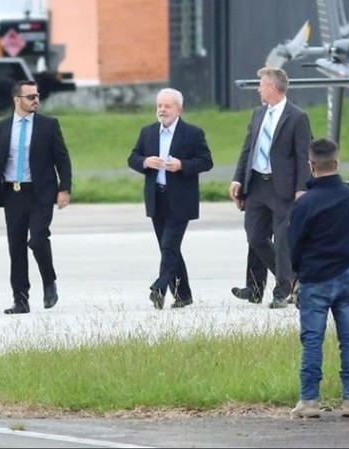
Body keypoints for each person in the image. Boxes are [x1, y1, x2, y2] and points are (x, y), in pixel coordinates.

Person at [287, 138, 349, 419]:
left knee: (313, 341)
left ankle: (309, 400)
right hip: (347, 276)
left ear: (311, 166)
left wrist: (298, 273)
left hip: (315, 278)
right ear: (336, 163)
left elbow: (294, 245)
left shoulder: (304, 204)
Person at [0, 80, 73, 315]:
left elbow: (62, 159)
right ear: (17, 100)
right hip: (13, 193)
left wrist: (64, 189)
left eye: (37, 96)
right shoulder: (1, 127)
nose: (36, 100)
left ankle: (49, 281)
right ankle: (20, 300)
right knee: (16, 247)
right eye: (30, 97)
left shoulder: (48, 125)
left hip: (40, 192)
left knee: (38, 239)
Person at [228, 67, 313, 309]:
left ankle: (281, 291)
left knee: (283, 240)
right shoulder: (258, 114)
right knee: (255, 236)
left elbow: (303, 156)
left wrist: (302, 188)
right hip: (257, 185)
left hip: (283, 188)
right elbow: (248, 150)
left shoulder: (297, 116)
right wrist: (237, 180)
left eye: (261, 85)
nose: (258, 89)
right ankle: (290, 279)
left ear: (273, 88)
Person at [127, 87, 213, 309]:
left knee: (168, 246)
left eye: (167, 106)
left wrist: (182, 165)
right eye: (159, 106)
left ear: (179, 109)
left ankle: (159, 288)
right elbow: (132, 157)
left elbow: (206, 161)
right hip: (157, 198)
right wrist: (145, 162)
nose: (162, 110)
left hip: (181, 199)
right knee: (169, 249)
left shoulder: (193, 133)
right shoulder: (148, 132)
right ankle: (183, 295)